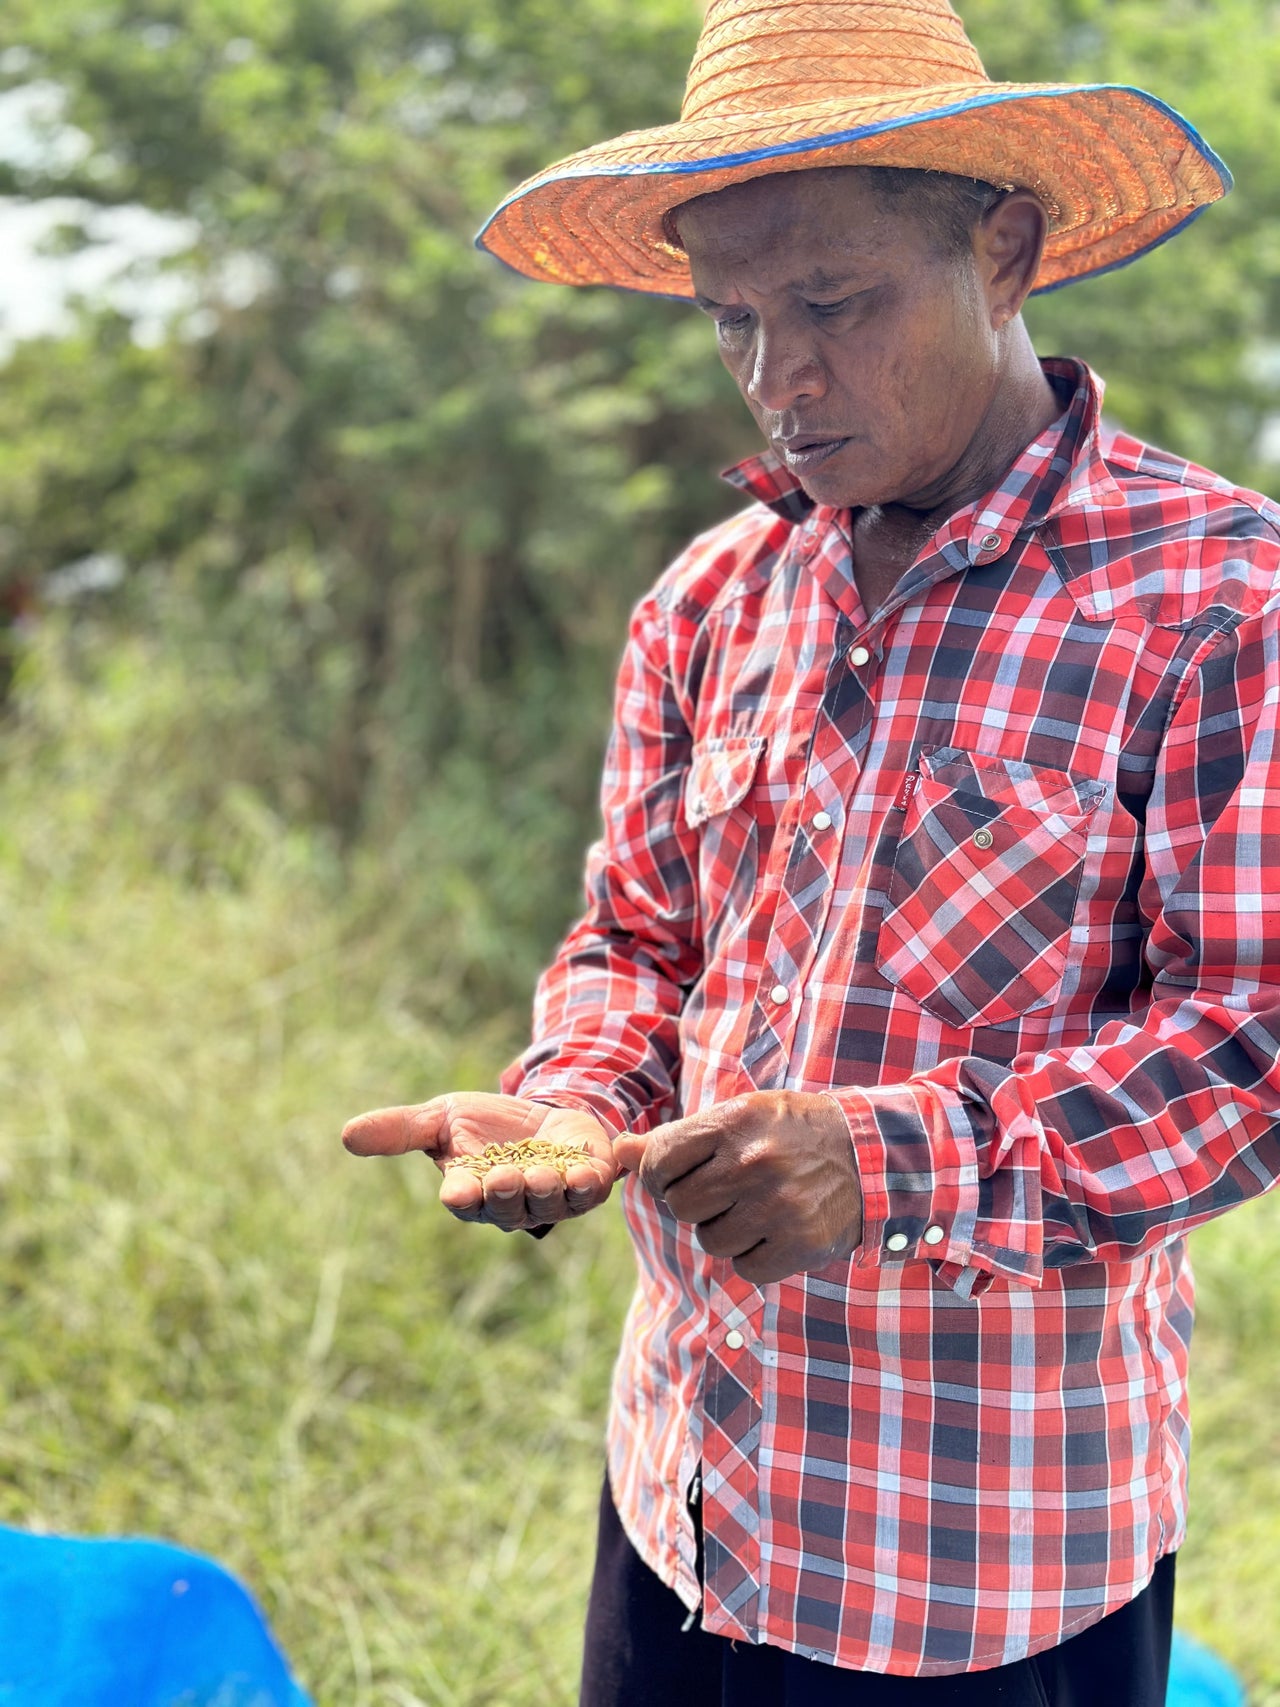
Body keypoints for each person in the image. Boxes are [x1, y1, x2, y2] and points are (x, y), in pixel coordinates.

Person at [342, 2, 1280, 1700]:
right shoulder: (710, 601)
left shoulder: (1219, 600)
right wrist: (576, 1098)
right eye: (733, 322)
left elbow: (1250, 1049)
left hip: (985, 1564)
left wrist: (891, 1159)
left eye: (836, 304)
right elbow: (639, 944)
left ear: (1003, 251)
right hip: (686, 1497)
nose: (784, 379)